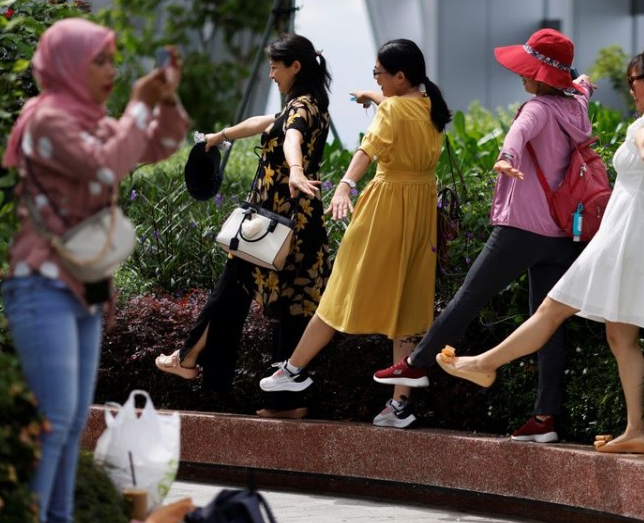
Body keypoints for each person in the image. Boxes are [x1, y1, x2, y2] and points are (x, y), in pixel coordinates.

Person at [436, 47, 644, 454]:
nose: (631, 89)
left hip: (623, 231)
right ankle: (636, 430)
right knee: (621, 339)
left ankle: (484, 365)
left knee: (552, 308)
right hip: (643, 232)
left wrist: (643, 140)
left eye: (634, 81)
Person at [1, 18, 188, 523]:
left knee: (73, 413)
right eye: (100, 61)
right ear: (68, 64)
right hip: (40, 283)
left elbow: (156, 146)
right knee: (57, 416)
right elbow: (106, 166)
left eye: (113, 60)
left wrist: (167, 101)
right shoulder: (47, 119)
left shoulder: (88, 119)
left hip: (80, 285)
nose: (112, 71)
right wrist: (136, 105)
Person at [372, 28, 595, 442]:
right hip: (563, 233)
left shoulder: (537, 109)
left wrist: (506, 157)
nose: (521, 75)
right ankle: (545, 418)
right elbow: (582, 86)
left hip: (521, 229)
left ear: (542, 75)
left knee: (470, 296)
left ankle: (417, 364)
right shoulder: (576, 105)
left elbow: (518, 134)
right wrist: (580, 82)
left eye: (528, 69)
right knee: (546, 325)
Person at [258, 38, 452, 428]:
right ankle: (400, 406)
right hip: (420, 208)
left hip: (386, 204)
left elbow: (368, 149)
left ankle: (295, 369)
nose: (376, 80)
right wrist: (372, 95)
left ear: (399, 77)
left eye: (379, 74)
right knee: (409, 302)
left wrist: (345, 185)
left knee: (342, 286)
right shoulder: (428, 105)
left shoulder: (394, 108)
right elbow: (397, 108)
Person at [154, 33, 332, 418]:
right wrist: (219, 137)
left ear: (295, 67)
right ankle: (288, 403)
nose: (270, 74)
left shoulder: (301, 110)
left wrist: (296, 169)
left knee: (235, 289)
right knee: (289, 307)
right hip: (295, 228)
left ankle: (189, 359)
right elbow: (262, 122)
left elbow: (292, 138)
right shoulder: (307, 106)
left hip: (274, 228)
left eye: (275, 66)